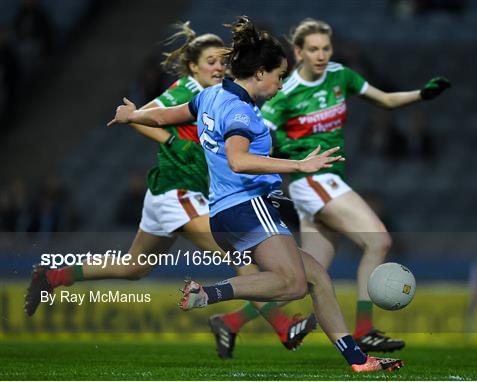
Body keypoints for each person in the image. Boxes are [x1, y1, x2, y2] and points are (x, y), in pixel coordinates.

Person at [108, 16, 404, 373]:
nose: (281, 85)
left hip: (223, 214)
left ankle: (359, 360)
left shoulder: (209, 95)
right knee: (294, 284)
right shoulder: (242, 112)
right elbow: (238, 160)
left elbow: (165, 116)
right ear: (260, 73)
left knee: (316, 278)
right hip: (247, 207)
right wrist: (297, 167)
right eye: (279, 76)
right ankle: (207, 294)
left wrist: (133, 115)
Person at [24, 22, 315, 355]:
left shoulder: (217, 96)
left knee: (135, 267)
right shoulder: (187, 89)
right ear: (193, 66)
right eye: (210, 61)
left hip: (170, 193)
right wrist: (169, 138)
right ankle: (283, 326)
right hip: (180, 191)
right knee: (242, 257)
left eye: (221, 61)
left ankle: (53, 276)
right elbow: (153, 117)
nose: (218, 67)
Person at [213, 18, 449, 354]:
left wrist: (421, 95)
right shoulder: (285, 94)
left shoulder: (340, 75)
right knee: (379, 240)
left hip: (328, 180)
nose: (321, 55)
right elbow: (253, 142)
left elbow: (383, 99)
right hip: (311, 180)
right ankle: (365, 330)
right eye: (313, 49)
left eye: (326, 47)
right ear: (298, 52)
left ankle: (231, 322)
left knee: (309, 276)